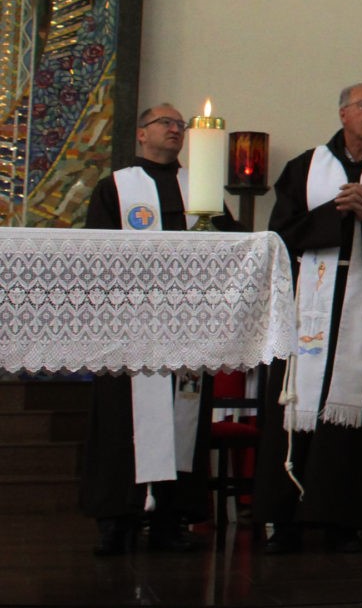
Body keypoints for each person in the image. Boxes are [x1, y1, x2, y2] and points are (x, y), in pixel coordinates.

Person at [255, 83, 362, 554]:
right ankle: (286, 521)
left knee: (357, 412)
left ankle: (343, 522)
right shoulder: (305, 167)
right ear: (343, 113)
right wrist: (337, 214)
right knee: (296, 402)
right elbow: (280, 233)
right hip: (308, 300)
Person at [79, 104, 232, 554]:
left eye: (179, 124)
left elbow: (230, 243)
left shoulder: (200, 187)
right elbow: (95, 253)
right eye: (165, 122)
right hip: (130, 326)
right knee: (121, 422)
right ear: (141, 134)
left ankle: (170, 517)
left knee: (182, 414)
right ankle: (117, 519)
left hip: (188, 324)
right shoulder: (116, 188)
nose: (175, 128)